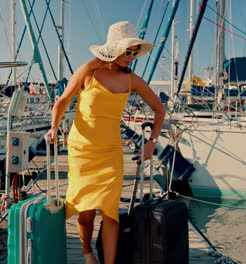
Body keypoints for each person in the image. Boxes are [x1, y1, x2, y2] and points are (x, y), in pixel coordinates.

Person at [44, 21, 165, 264]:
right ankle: (88, 252)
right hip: (82, 148)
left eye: (134, 52)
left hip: (111, 151)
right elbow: (62, 101)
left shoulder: (134, 81)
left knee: (110, 213)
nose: (131, 57)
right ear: (114, 48)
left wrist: (151, 142)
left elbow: (159, 110)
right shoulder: (88, 71)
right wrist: (53, 128)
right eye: (127, 51)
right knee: (86, 212)